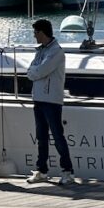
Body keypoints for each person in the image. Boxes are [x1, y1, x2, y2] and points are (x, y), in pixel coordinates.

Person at [26, 18, 74, 185]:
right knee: (41, 137)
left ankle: (67, 171)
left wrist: (35, 72)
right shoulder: (40, 51)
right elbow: (31, 70)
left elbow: (39, 71)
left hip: (51, 100)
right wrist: (35, 72)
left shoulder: (56, 52)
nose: (34, 36)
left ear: (42, 32)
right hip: (38, 99)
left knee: (57, 135)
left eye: (35, 33)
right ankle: (41, 170)